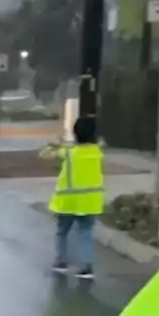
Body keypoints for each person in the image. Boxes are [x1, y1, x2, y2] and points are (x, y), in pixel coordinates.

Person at [47, 117, 104, 279]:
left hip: (67, 202)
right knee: (85, 233)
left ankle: (61, 262)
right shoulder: (97, 153)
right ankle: (86, 267)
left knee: (62, 232)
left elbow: (46, 154)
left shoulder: (69, 153)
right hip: (90, 203)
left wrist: (54, 144)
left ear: (75, 134)